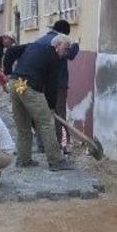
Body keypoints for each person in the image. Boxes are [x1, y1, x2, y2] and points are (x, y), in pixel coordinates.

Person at [9, 34, 75, 171]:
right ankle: (56, 161)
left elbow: (11, 51)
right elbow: (51, 85)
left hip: (15, 83)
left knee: (23, 125)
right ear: (57, 45)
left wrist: (7, 71)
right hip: (28, 87)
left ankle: (23, 159)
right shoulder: (54, 58)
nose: (67, 52)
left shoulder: (34, 46)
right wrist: (51, 106)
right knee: (46, 124)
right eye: (66, 48)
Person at [32, 20, 79, 153]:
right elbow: (70, 55)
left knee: (41, 114)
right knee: (60, 115)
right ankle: (60, 145)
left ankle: (42, 145)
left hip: (40, 84)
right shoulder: (62, 41)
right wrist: (76, 45)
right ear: (65, 32)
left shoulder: (40, 40)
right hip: (58, 84)